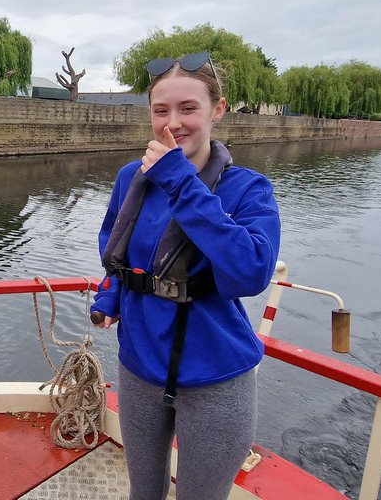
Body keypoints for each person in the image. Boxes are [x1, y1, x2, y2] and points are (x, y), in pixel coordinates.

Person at [90, 53, 280, 500]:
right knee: (144, 492)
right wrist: (111, 297)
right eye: (161, 110)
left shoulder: (249, 189)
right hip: (139, 368)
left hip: (217, 379)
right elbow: (117, 252)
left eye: (188, 108)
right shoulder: (130, 179)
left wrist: (181, 182)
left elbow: (251, 270)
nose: (172, 123)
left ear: (218, 109)